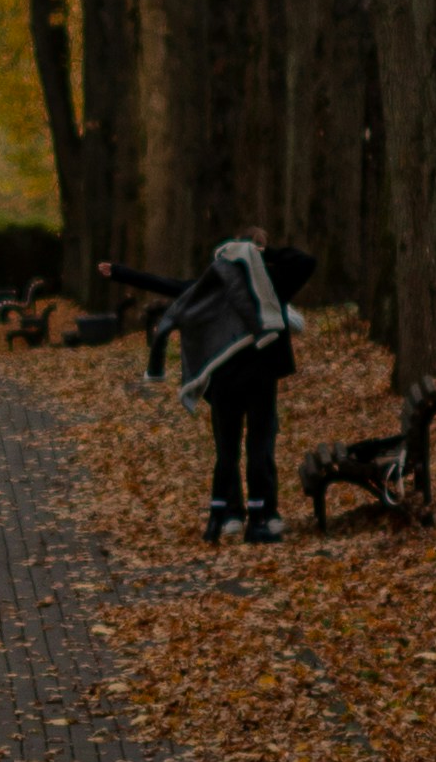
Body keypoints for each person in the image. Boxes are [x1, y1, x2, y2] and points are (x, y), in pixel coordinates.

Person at [100, 230, 316, 543]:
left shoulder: (212, 285)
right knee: (260, 445)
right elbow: (305, 261)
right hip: (260, 377)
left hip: (223, 380)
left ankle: (226, 516)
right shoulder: (271, 285)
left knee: (226, 450)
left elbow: (171, 286)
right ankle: (262, 517)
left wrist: (120, 273)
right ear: (256, 251)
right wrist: (265, 253)